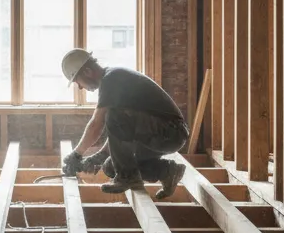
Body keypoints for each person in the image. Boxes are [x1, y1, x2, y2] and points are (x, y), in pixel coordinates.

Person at [59, 48, 188, 199]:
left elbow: (96, 124)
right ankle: (167, 171)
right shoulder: (113, 80)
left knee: (113, 115)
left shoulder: (111, 79)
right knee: (110, 167)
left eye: (77, 82)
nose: (80, 87)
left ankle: (128, 177)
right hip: (158, 133)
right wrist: (100, 156)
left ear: (87, 72)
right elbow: (121, 131)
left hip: (171, 131)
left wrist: (76, 154)